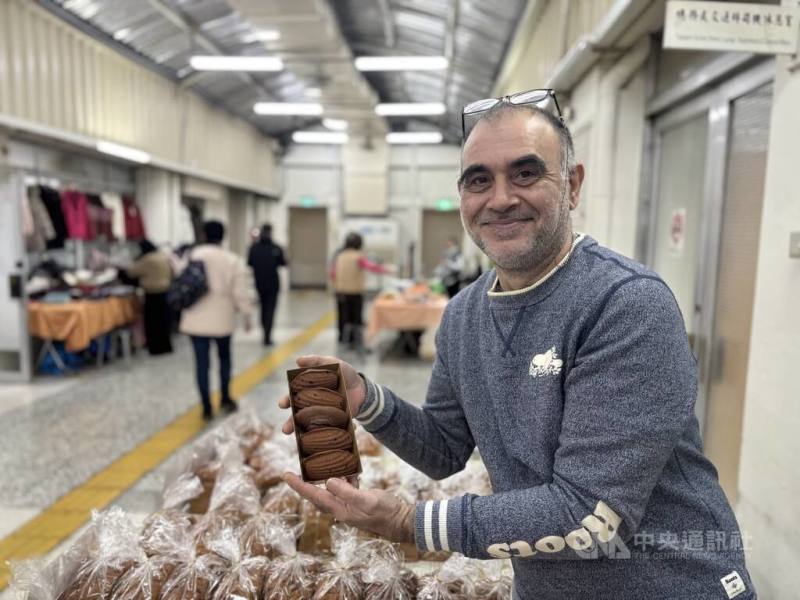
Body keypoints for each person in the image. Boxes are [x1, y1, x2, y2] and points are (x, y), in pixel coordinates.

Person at [279, 94, 756, 599]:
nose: (501, 198)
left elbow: (589, 515)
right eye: (478, 180)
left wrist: (407, 522)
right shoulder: (463, 316)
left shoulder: (624, 304)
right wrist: (368, 400)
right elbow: (444, 448)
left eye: (526, 174)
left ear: (572, 186)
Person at [180, 220, 251, 420]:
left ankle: (206, 406)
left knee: (201, 363)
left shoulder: (192, 256)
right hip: (222, 319)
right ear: (223, 236)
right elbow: (240, 291)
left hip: (195, 318)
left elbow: (181, 281)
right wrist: (246, 314)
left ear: (203, 235)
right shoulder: (232, 260)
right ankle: (225, 398)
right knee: (224, 359)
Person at [331, 232, 393, 349]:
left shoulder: (340, 255)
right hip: (355, 293)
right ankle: (356, 340)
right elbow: (370, 266)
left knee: (343, 317)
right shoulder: (358, 256)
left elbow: (333, 274)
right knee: (356, 318)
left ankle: (342, 339)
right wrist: (387, 270)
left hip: (340, 292)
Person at [125, 239, 173, 355]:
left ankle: (156, 348)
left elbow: (131, 271)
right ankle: (165, 346)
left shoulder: (147, 259)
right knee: (163, 321)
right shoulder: (161, 256)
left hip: (153, 293)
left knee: (153, 323)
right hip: (165, 291)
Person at [247, 224, 287, 346]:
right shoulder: (276, 248)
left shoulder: (254, 248)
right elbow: (283, 263)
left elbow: (249, 263)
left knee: (263, 309)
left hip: (260, 282)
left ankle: (265, 333)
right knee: (270, 309)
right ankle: (267, 336)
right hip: (273, 283)